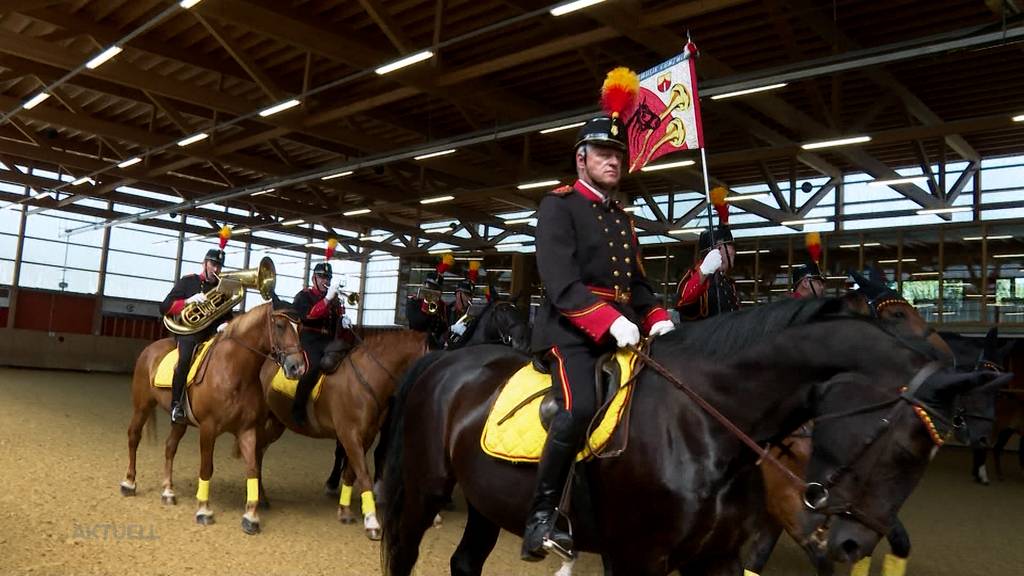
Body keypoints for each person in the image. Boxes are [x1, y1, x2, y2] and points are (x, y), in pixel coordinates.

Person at [524, 67, 675, 562]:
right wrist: (608, 320)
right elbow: (561, 283)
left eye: (618, 155)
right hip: (569, 331)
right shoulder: (558, 206)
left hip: (622, 331)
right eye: (604, 154)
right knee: (580, 406)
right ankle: (541, 517)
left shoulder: (622, 218)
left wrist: (656, 316)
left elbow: (638, 283)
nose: (613, 161)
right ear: (581, 159)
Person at [160, 248, 232, 424]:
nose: (216, 269)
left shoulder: (222, 288)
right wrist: (188, 301)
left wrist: (227, 324)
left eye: (219, 266)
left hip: (213, 334)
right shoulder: (188, 282)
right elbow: (164, 306)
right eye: (213, 264)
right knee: (184, 360)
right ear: (205, 263)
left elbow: (228, 316)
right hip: (189, 333)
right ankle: (176, 404)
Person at [291, 262, 352, 426]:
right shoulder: (303, 296)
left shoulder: (334, 299)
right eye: (322, 277)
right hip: (309, 339)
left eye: (328, 277)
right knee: (314, 367)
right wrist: (326, 300)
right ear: (314, 278)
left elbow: (335, 325)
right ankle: (298, 409)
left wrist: (343, 322)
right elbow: (308, 316)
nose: (325, 280)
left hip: (329, 341)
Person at [674, 225, 740, 319]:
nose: (734, 252)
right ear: (719, 248)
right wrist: (704, 271)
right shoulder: (696, 275)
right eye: (730, 246)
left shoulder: (728, 282)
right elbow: (683, 302)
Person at [405, 265, 450, 349]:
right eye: (430, 287)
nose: (432, 291)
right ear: (424, 285)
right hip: (416, 345)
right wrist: (426, 304)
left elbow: (442, 327)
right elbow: (417, 323)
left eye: (435, 289)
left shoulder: (441, 306)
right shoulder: (414, 301)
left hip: (435, 346)